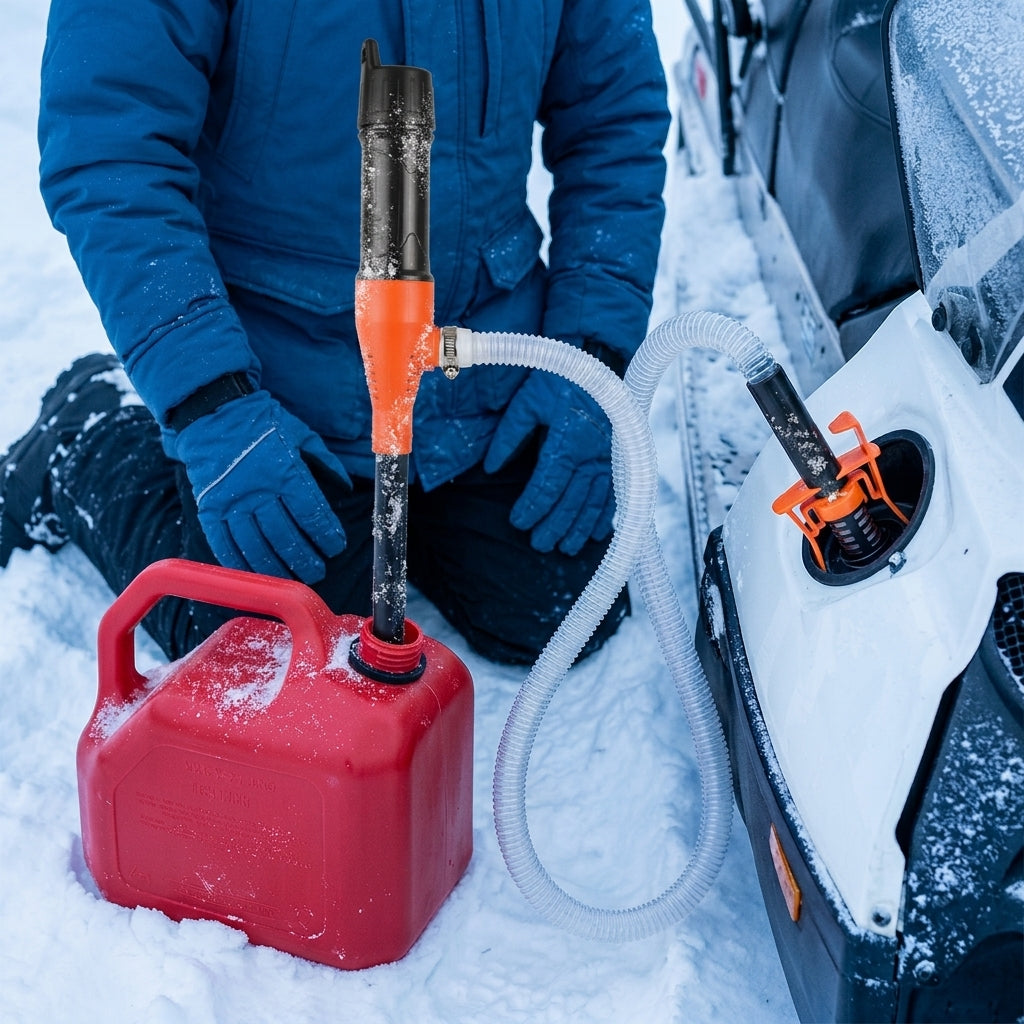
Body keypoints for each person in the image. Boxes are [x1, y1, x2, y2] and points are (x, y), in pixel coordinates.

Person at [0, 0, 670, 665]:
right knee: (265, 653)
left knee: (559, 607)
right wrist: (212, 406)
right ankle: (85, 434)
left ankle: (422, 513)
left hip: (481, 372)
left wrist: (591, 356)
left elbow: (615, 125)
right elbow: (111, 155)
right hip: (280, 381)